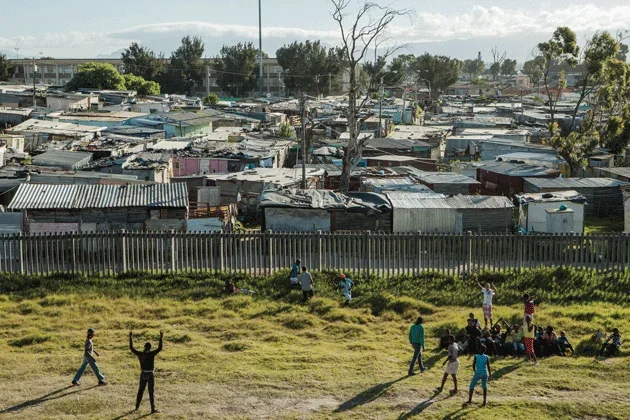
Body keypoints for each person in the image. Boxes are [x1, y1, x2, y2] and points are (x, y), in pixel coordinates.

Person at [130, 330, 163, 414]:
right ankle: (152, 409)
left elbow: (131, 348)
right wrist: (161, 337)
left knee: (140, 390)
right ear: (150, 347)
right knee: (151, 392)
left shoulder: (140, 354)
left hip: (143, 374)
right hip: (150, 374)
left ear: (144, 347)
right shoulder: (151, 354)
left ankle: (136, 407)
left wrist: (130, 337)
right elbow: (160, 348)